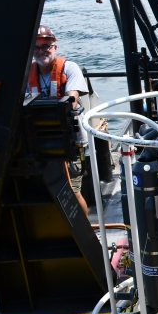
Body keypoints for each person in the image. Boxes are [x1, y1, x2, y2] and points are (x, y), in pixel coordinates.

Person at [28, 24, 91, 214]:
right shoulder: (26, 74)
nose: (41, 51)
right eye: (37, 47)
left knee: (72, 191)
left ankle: (87, 231)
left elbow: (70, 102)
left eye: (46, 46)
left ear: (54, 47)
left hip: (70, 140)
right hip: (41, 142)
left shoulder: (69, 69)